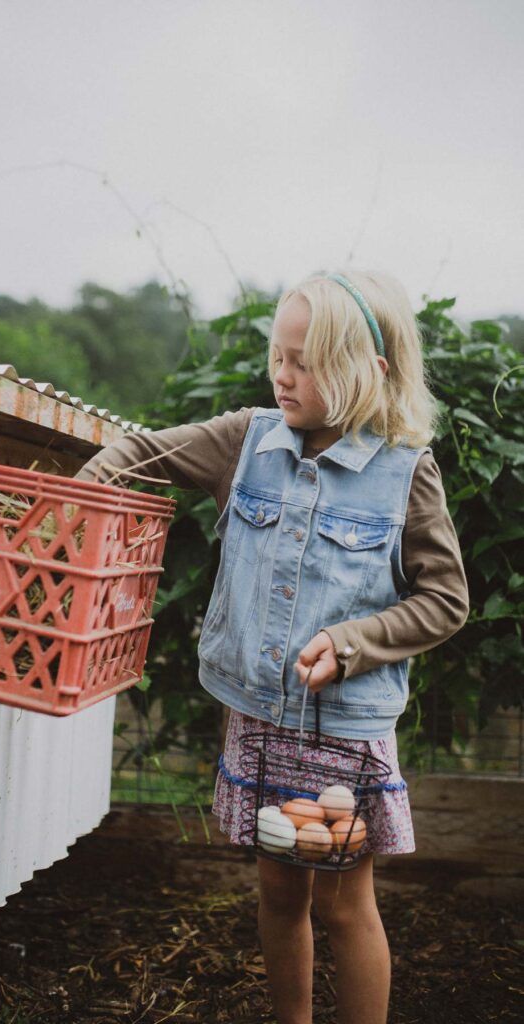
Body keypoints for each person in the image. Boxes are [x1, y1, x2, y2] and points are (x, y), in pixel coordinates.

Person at [75, 269, 469, 1024]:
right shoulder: (244, 441)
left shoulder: (403, 474)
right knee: (277, 891)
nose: (282, 376)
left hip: (342, 726)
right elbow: (135, 455)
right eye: (277, 357)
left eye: (304, 362)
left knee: (345, 903)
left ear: (369, 372)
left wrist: (352, 641)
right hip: (258, 715)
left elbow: (444, 601)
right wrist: (76, 508)